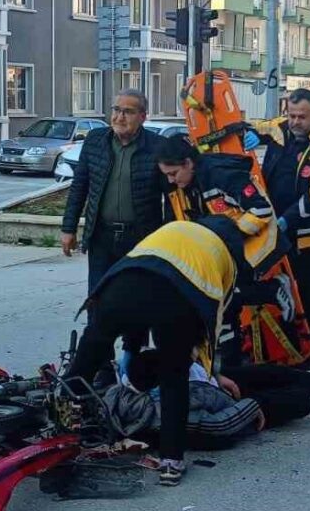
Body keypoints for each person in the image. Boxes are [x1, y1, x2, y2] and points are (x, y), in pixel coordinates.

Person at [68, 218, 242, 486]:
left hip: (118, 287)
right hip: (175, 303)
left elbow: (143, 279)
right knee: (174, 378)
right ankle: (171, 462)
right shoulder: (226, 259)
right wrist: (211, 371)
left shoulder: (174, 227)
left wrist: (130, 347)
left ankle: (57, 428)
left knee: (86, 360)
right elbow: (219, 322)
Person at [247, 88, 310, 369]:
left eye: (302, 116)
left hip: (308, 235)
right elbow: (254, 127)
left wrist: (287, 219)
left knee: (307, 291)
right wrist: (245, 133)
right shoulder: (280, 128)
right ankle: (283, 347)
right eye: (291, 115)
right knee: (278, 289)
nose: (295, 122)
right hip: (273, 229)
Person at [106, 348, 310, 449]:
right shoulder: (166, 410)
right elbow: (219, 425)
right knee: (297, 400)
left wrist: (215, 376)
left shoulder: (133, 381)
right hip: (235, 411)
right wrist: (252, 406)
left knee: (269, 372)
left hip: (206, 389)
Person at [60, 88, 167, 295]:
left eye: (128, 112)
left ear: (142, 117)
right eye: (116, 110)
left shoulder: (158, 147)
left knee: (136, 302)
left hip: (141, 238)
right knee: (98, 300)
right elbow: (79, 187)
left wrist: (167, 243)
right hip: (102, 237)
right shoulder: (95, 141)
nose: (120, 117)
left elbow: (171, 198)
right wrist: (68, 228)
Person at [156, 134, 283, 281]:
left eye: (173, 173)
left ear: (188, 163)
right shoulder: (185, 184)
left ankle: (275, 288)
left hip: (256, 248)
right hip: (228, 250)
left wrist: (227, 236)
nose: (170, 180)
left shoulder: (222, 175)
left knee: (240, 294)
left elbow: (261, 210)